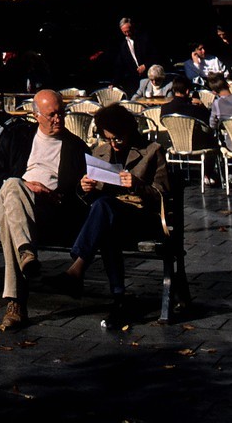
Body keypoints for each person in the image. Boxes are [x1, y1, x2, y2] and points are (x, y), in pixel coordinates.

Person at [56, 101, 170, 327]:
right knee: (106, 220)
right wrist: (84, 187)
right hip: (109, 217)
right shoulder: (99, 151)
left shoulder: (152, 151)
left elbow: (163, 194)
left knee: (104, 210)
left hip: (140, 217)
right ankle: (119, 299)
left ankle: (77, 268)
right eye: (108, 139)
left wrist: (137, 184)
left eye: (118, 138)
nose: (113, 144)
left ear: (129, 131)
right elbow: (88, 195)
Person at [0, 88, 88, 331]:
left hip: (47, 210)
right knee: (11, 185)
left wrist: (53, 195)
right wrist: (25, 185)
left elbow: (81, 194)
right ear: (36, 115)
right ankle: (26, 252)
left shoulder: (76, 147)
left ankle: (16, 304)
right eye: (51, 115)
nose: (58, 119)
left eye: (61, 113)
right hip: (11, 199)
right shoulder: (17, 136)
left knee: (11, 212)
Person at [110, 17, 155, 98]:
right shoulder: (123, 46)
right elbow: (120, 66)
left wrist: (145, 65)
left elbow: (156, 55)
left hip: (151, 77)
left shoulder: (145, 39)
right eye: (124, 32)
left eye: (128, 31)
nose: (127, 34)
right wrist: (114, 83)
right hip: (135, 81)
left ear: (133, 27)